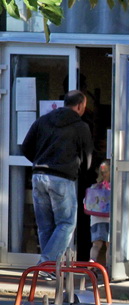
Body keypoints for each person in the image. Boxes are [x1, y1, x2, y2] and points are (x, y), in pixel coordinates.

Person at [22, 90, 94, 271]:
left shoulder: (43, 121)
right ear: (80, 106)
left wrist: (40, 162)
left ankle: (48, 269)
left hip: (38, 176)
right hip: (62, 178)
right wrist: (79, 171)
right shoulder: (80, 126)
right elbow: (88, 158)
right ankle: (46, 264)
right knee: (67, 223)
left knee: (45, 226)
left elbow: (26, 147)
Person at [87, 160, 111, 265]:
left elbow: (86, 202)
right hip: (110, 219)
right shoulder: (114, 187)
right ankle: (109, 269)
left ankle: (92, 263)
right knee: (109, 245)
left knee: (96, 245)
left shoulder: (94, 187)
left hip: (96, 220)